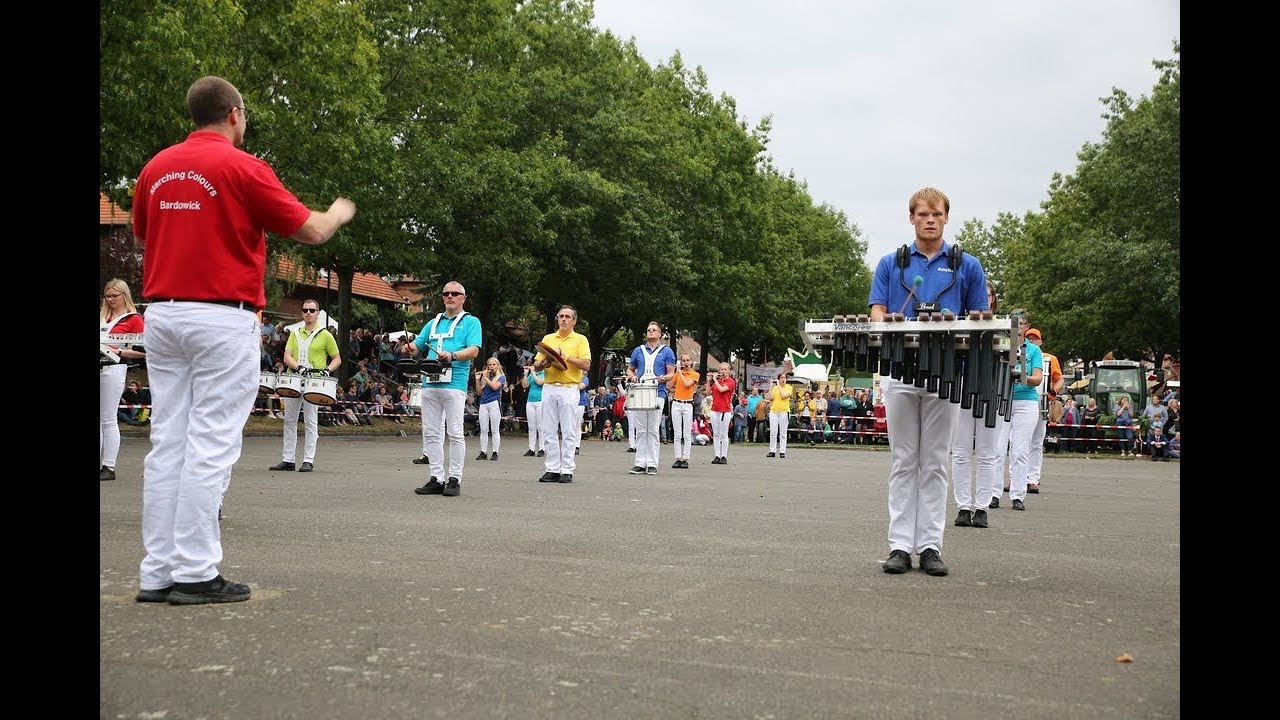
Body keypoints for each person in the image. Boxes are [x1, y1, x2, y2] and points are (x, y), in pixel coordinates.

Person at [131, 75, 356, 604]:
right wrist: (339, 212)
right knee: (210, 442)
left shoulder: (155, 168)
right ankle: (194, 571)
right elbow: (312, 230)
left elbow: (143, 234)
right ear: (234, 113)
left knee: (169, 443)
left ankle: (157, 572)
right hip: (220, 314)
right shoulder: (242, 166)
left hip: (161, 312)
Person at [868, 187, 989, 577]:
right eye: (923, 214)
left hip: (947, 372)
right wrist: (886, 321)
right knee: (904, 460)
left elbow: (981, 321)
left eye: (937, 214)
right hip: (901, 369)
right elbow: (877, 313)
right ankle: (900, 545)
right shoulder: (891, 264)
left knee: (935, 462)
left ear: (946, 218)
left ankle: (931, 546)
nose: (930, 220)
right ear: (912, 218)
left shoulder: (967, 265)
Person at [409, 281, 482, 497]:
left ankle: (454, 479)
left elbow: (475, 350)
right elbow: (418, 346)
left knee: (455, 432)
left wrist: (453, 355)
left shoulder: (471, 321)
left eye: (454, 294)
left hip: (454, 383)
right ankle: (436, 477)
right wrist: (409, 347)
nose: (450, 297)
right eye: (446, 294)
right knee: (431, 432)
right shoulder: (433, 322)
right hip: (430, 382)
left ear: (463, 298)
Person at [951, 279, 1003, 525]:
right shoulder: (961, 325)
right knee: (960, 451)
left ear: (993, 299)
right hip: (962, 388)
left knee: (986, 453)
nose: (985, 297)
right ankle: (963, 506)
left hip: (991, 390)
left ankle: (982, 508)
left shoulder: (1002, 327)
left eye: (989, 294)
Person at [269, 299, 342, 473]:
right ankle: (288, 459)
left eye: (311, 310)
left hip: (314, 382)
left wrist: (327, 370)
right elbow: (287, 357)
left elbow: (337, 358)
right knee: (289, 421)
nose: (308, 313)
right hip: (294, 380)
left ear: (318, 313)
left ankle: (308, 460)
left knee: (310, 420)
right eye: (305, 310)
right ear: (302, 313)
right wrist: (298, 367)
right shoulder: (294, 333)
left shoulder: (325, 334)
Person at [532, 306, 592, 483]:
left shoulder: (580, 339)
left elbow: (586, 364)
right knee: (548, 429)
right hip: (549, 386)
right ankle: (552, 468)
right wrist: (543, 364)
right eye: (561, 316)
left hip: (569, 387)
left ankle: (567, 469)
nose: (563, 319)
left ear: (574, 321)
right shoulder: (548, 338)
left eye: (567, 317)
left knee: (568, 430)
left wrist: (565, 357)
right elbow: (535, 365)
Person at [100, 279, 146, 482]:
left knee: (108, 418)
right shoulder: (103, 317)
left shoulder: (134, 319)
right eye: (107, 296)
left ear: (123, 296)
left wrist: (117, 350)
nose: (110, 300)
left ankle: (109, 466)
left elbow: (143, 351)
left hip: (114, 368)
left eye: (114, 296)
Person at [625, 321, 676, 476]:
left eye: (654, 330)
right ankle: (640, 462)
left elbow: (671, 373)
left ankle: (652, 463)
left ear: (660, 334)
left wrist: (664, 378)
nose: (651, 332)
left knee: (653, 429)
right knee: (641, 429)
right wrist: (632, 376)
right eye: (649, 330)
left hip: (657, 392)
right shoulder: (638, 350)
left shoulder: (666, 351)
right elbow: (630, 369)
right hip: (640, 391)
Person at [1023, 327, 1062, 493]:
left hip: (1042, 405)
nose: (1032, 340)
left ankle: (1033, 479)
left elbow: (1058, 379)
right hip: (1023, 401)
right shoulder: (1021, 351)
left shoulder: (1050, 358)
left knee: (1036, 444)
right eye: (1029, 338)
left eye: (1035, 338)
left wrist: (1054, 392)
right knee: (1018, 443)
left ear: (1040, 341)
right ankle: (1017, 477)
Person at [669, 352, 700, 469]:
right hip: (677, 403)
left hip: (687, 404)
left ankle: (686, 458)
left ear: (691, 362)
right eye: (684, 360)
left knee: (686, 433)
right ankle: (677, 458)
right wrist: (671, 374)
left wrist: (680, 373)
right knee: (677, 433)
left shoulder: (695, 374)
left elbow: (687, 384)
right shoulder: (678, 374)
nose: (686, 362)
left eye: (688, 360)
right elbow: (670, 386)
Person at [474, 357, 506, 461]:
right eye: (489, 365)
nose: (491, 367)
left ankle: (495, 452)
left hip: (494, 403)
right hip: (483, 403)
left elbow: (494, 387)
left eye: (493, 365)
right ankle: (483, 452)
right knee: (483, 430)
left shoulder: (501, 377)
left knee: (495, 429)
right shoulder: (486, 377)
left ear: (498, 365)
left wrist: (485, 377)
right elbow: (479, 392)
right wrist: (478, 380)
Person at [708, 364, 738, 464]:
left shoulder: (731, 382)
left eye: (725, 369)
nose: (723, 371)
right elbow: (708, 392)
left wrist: (715, 380)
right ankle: (717, 455)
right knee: (716, 434)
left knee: (723, 434)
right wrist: (709, 381)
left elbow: (722, 390)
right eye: (721, 369)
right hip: (715, 409)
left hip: (725, 410)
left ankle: (723, 455)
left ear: (729, 371)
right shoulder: (718, 382)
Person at [765, 371, 793, 458]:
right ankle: (772, 450)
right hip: (774, 411)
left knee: (783, 433)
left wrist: (779, 386)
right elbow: (770, 397)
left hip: (784, 411)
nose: (782, 379)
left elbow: (784, 396)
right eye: (781, 378)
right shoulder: (775, 388)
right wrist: (770, 386)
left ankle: (782, 451)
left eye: (784, 377)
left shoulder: (789, 387)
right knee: (773, 432)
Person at [521, 364, 545, 457]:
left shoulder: (544, 373)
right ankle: (531, 448)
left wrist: (533, 373)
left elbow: (539, 382)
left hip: (540, 401)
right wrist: (526, 374)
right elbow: (525, 385)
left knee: (541, 426)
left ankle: (542, 448)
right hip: (530, 401)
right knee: (531, 426)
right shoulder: (531, 374)